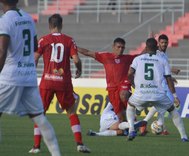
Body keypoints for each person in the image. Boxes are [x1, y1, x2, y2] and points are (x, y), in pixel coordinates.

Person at [0, 0, 61, 155]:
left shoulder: (5, 20)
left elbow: (2, 51)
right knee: (40, 119)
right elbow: (34, 47)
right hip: (28, 76)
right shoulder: (28, 18)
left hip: (10, 76)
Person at [30, 14, 90, 153]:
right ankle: (79, 144)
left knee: (40, 113)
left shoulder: (43, 40)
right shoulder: (69, 40)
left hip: (47, 82)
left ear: (49, 25)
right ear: (61, 25)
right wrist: (79, 70)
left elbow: (34, 58)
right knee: (71, 112)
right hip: (63, 82)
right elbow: (76, 59)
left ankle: (36, 146)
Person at [126, 38, 189, 142]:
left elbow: (129, 73)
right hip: (158, 94)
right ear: (156, 47)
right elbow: (168, 79)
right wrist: (175, 96)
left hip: (141, 94)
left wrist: (133, 84)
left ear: (145, 47)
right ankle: (184, 137)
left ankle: (131, 130)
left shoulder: (138, 59)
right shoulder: (162, 60)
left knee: (130, 105)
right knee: (173, 111)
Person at [78, 38, 138, 123]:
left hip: (124, 86)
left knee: (124, 94)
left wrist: (151, 45)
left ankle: (135, 119)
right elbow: (87, 52)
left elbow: (141, 56)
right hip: (112, 90)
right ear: (113, 47)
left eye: (122, 47)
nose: (120, 49)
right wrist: (74, 47)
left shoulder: (127, 58)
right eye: (118, 47)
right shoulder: (105, 56)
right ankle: (128, 128)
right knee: (121, 118)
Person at [140, 34, 182, 136]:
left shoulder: (164, 54)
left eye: (165, 42)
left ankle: (161, 127)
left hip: (163, 82)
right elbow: (156, 65)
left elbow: (163, 69)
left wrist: (170, 77)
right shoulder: (157, 53)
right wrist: (173, 70)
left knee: (161, 105)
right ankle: (151, 123)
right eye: (162, 42)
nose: (164, 44)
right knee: (167, 102)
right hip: (158, 84)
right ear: (158, 43)